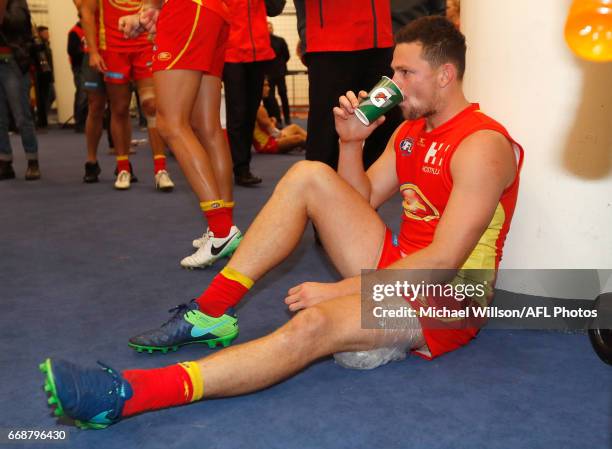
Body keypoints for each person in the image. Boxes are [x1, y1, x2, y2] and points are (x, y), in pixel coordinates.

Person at [41, 17, 523, 429]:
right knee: (309, 175)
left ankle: (129, 393)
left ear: (445, 75)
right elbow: (362, 201)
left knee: (311, 326)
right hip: (398, 266)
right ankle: (212, 311)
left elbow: (443, 262)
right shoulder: (409, 131)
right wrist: (352, 143)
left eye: (405, 72)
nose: (391, 83)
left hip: (448, 299)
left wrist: (341, 293)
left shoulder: (482, 144)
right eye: (392, 69)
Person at [118, 0, 243, 269]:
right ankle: (224, 227)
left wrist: (145, 12)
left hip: (188, 9)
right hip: (213, 12)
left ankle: (221, 231)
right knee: (206, 127)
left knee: (171, 124)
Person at [294, 0, 404, 170]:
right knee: (326, 132)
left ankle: (368, 189)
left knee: (386, 122)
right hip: (329, 41)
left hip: (380, 37)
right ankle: (318, 190)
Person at [80, 0, 174, 191]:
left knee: (151, 106)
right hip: (113, 49)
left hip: (145, 45)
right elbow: (87, 13)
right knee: (120, 108)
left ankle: (161, 170)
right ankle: (123, 168)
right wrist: (93, 52)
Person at [223, 0, 285, 187]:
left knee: (250, 112)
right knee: (238, 113)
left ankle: (243, 165)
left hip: (259, 52)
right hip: (231, 53)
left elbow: (274, 9)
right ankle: (240, 168)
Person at [0, 0, 39, 181]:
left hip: (13, 62)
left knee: (21, 115)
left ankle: (32, 160)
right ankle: (4, 161)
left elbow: (15, 25)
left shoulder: (17, 2)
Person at [254, 78, 305, 154]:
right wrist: (284, 136)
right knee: (298, 138)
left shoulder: (257, 105)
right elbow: (273, 133)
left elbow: (265, 128)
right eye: (265, 86)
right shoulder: (259, 108)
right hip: (268, 144)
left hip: (270, 138)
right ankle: (316, 146)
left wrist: (271, 122)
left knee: (294, 127)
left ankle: (314, 142)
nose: (269, 88)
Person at [262, 21, 291, 127]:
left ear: (273, 29)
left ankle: (287, 118)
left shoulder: (280, 41)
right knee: (270, 97)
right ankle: (275, 118)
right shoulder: (263, 41)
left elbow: (287, 56)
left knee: (283, 95)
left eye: (270, 27)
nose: (269, 29)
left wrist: (280, 65)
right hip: (268, 74)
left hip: (279, 73)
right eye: (267, 27)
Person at [67, 17, 87, 132]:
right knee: (82, 94)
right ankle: (79, 122)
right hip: (79, 67)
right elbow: (71, 51)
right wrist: (85, 52)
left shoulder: (88, 30)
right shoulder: (74, 32)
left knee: (88, 95)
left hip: (87, 66)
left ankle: (84, 120)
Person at [33, 25, 54, 129]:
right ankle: (41, 119)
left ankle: (42, 117)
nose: (48, 35)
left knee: (49, 96)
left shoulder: (46, 45)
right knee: (43, 97)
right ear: (40, 33)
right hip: (41, 75)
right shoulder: (39, 44)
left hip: (47, 74)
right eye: (45, 33)